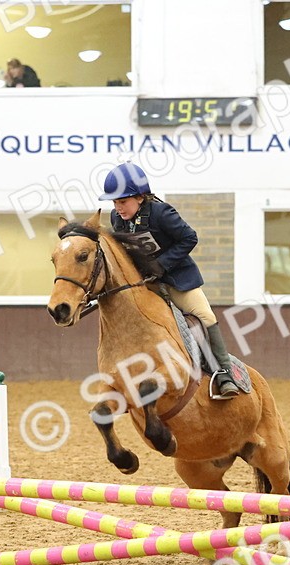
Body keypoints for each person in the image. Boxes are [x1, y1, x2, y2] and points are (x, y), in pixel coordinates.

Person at [99, 163, 240, 399]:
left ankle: (224, 374)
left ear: (140, 197)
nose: (117, 207)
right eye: (114, 202)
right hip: (146, 283)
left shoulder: (161, 213)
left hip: (177, 280)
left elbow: (189, 238)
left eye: (122, 201)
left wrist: (162, 264)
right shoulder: (117, 219)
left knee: (206, 317)